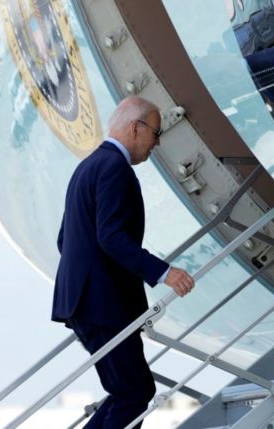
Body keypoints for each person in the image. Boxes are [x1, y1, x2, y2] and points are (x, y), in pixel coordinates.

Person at [52, 96, 196, 428]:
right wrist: (164, 272)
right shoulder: (115, 168)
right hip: (102, 304)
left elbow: (66, 239)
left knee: (128, 391)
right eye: (156, 133)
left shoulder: (88, 167)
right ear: (136, 127)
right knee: (133, 393)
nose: (157, 143)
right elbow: (111, 237)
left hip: (84, 302)